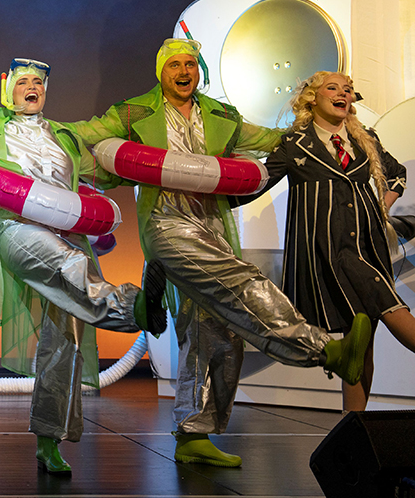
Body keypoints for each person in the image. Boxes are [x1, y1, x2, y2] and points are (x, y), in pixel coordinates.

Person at [72, 39, 372, 467]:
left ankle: (193, 434)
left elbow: (272, 140)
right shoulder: (134, 112)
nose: (184, 71)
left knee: (215, 329)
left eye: (190, 64)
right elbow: (84, 135)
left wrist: (325, 128)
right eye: (174, 64)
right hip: (166, 223)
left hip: (211, 223)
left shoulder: (221, 116)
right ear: (161, 72)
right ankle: (325, 351)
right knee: (240, 282)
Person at [0, 58, 167, 475]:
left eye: (38, 82)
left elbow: (104, 163)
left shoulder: (65, 135)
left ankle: (49, 441)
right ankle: (132, 309)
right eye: (23, 82)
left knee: (65, 340)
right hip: (17, 231)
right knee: (70, 264)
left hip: (68, 231)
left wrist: (150, 154)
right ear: (9, 90)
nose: (32, 87)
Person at [242, 71, 412, 412]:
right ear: (313, 98)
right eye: (332, 88)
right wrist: (209, 190)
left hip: (370, 246)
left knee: (360, 343)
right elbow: (257, 183)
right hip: (328, 251)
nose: (342, 94)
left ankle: (354, 425)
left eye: (347, 89)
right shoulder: (294, 144)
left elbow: (397, 175)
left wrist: (381, 207)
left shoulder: (364, 138)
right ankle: (354, 426)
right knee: (389, 306)